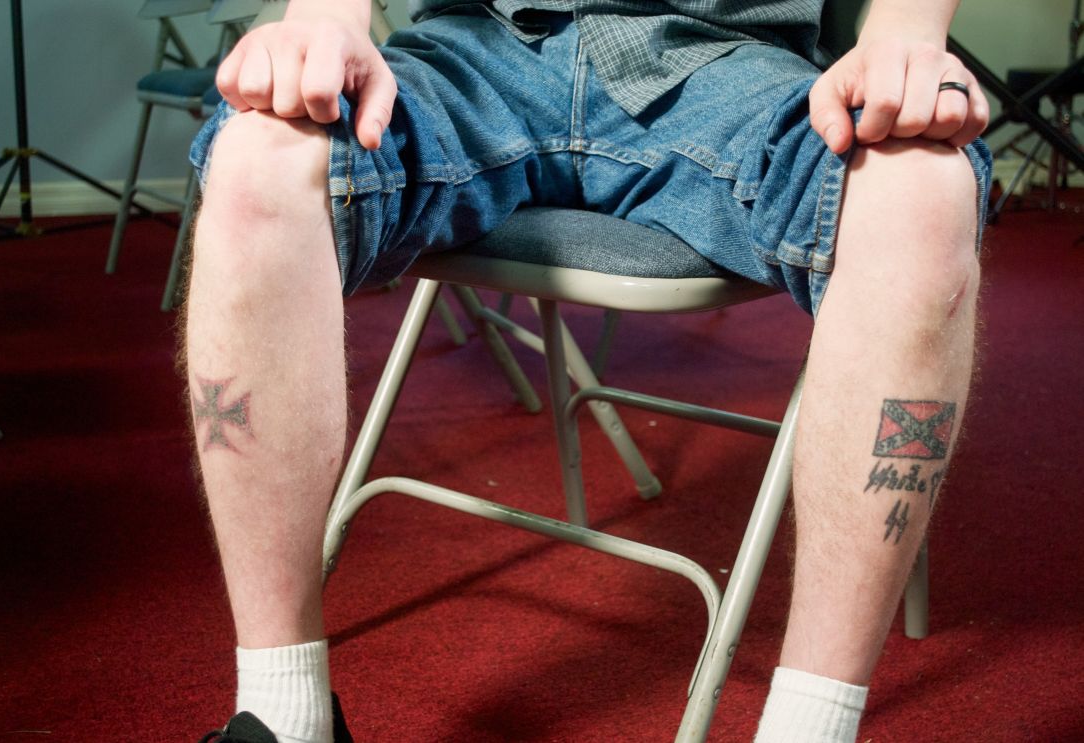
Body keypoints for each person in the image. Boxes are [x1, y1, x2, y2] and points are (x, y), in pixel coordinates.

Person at [187, 0, 991, 741]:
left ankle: (809, 726)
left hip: (723, 64)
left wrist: (903, 37)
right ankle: (282, 712)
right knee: (260, 156)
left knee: (919, 189)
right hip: (480, 50)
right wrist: (325, 15)